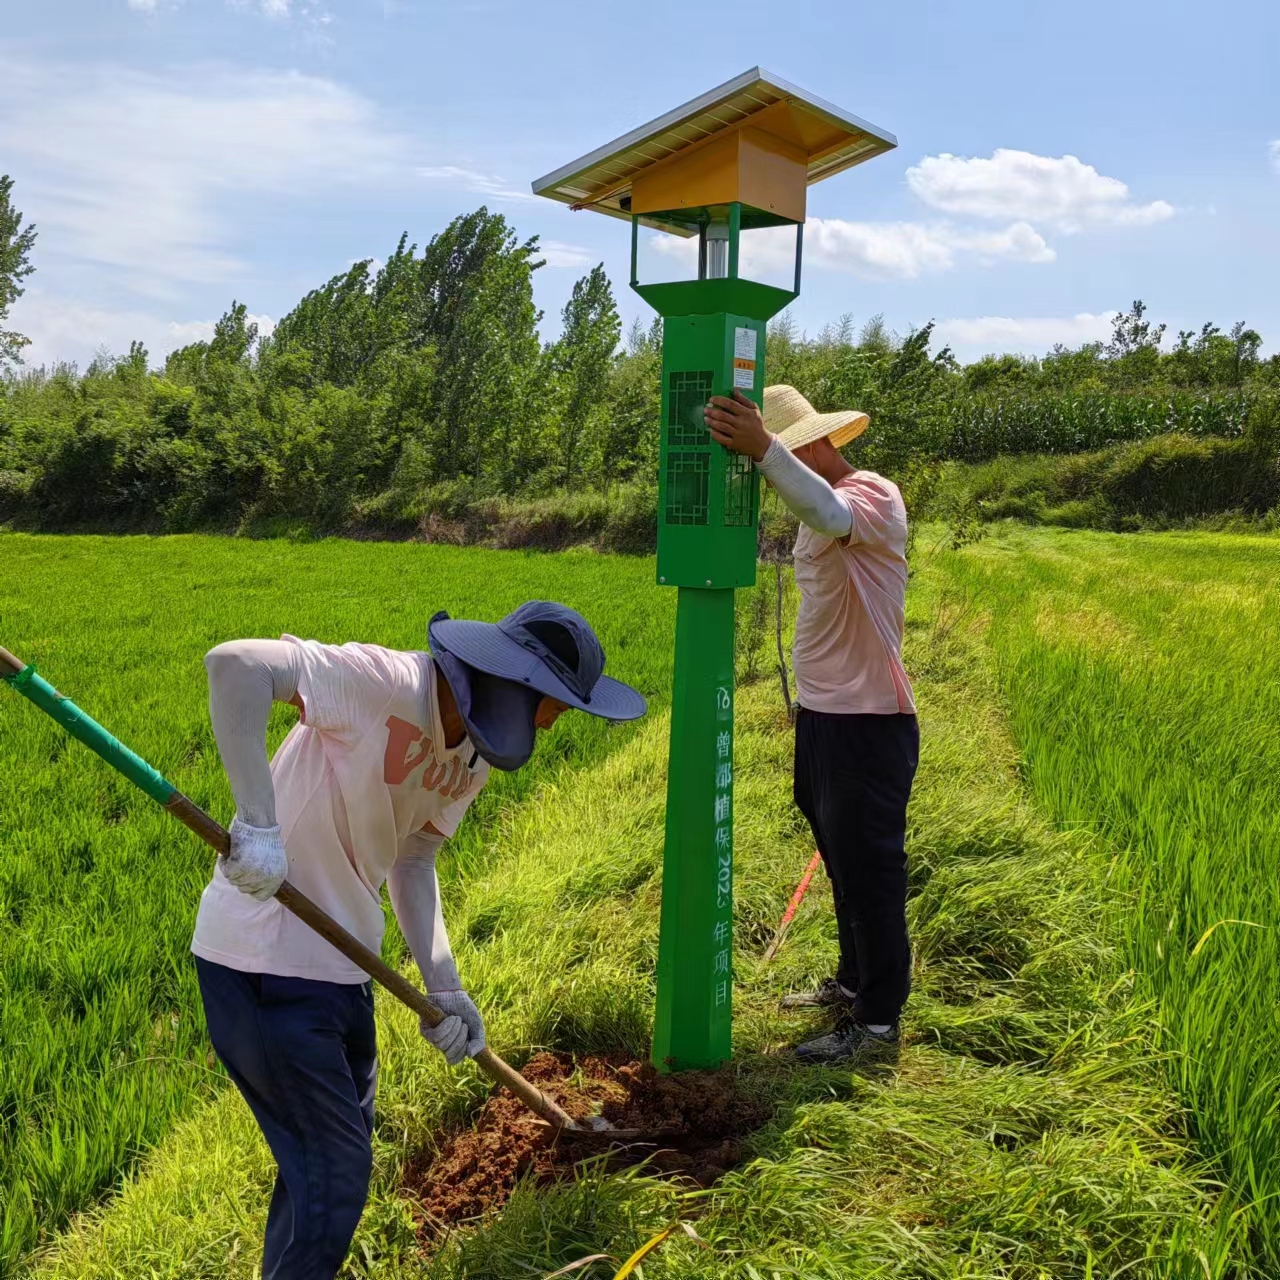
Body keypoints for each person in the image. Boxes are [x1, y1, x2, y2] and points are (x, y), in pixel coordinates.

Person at [191, 602, 646, 1279]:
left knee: (320, 1168)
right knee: (336, 1173)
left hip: (345, 965)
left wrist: (445, 985)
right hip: (264, 958)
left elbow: (415, 859)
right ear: (513, 685)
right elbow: (236, 666)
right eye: (553, 705)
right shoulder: (385, 683)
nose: (553, 723)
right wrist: (257, 822)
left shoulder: (474, 756)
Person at [705, 385, 918, 1065]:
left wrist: (763, 449)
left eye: (782, 457)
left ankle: (877, 1023)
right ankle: (852, 982)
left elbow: (827, 509)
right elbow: (812, 510)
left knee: (871, 873)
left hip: (869, 722)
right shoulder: (812, 510)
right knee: (840, 861)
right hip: (824, 716)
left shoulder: (871, 495)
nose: (774, 476)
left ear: (813, 445)